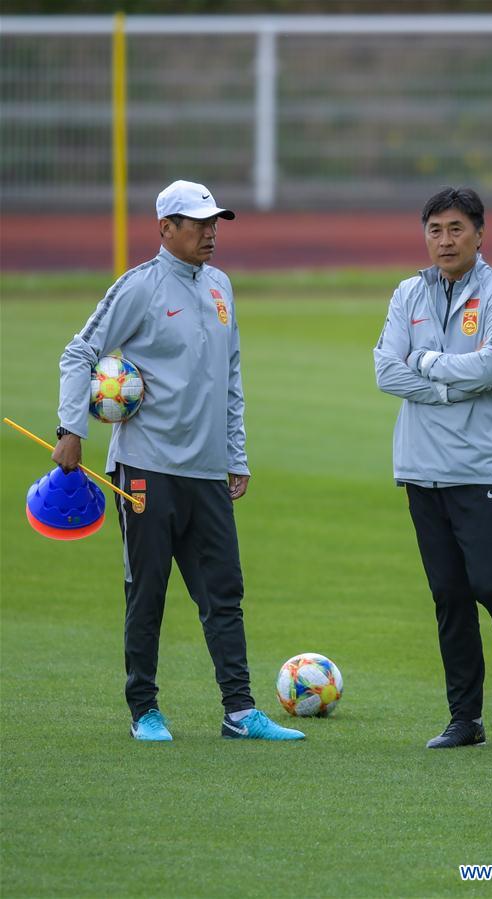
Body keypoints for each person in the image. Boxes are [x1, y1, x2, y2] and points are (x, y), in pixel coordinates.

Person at [53, 179, 305, 743]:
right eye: (198, 223)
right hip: (146, 468)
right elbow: (79, 352)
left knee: (224, 593)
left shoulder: (220, 286)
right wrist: (71, 429)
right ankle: (144, 710)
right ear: (166, 228)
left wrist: (236, 454)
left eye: (214, 222)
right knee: (147, 591)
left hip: (207, 472)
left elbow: (230, 375)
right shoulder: (138, 286)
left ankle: (239, 712)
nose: (210, 233)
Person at [374, 187, 492, 749]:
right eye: (435, 229)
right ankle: (466, 719)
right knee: (449, 595)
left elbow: (489, 368)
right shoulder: (407, 292)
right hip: (419, 465)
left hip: (481, 467)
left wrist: (424, 361)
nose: (445, 240)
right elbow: (386, 371)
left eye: (456, 228)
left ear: (480, 235)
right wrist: (444, 388)